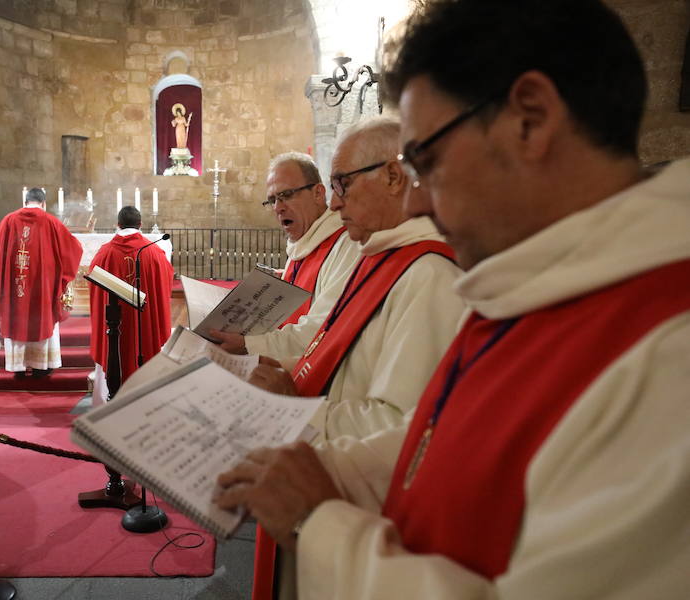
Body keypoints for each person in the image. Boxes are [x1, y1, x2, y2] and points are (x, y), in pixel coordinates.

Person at [216, 1, 690, 598]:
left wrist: (318, 522)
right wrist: (328, 468)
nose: (416, 203)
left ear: (531, 120)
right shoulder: (543, 285)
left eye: (427, 161)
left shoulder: (671, 353)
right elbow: (441, 441)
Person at [247, 118, 465, 444]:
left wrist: (292, 404)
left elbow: (398, 428)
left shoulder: (429, 276)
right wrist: (268, 363)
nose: (334, 204)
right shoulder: (380, 259)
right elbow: (343, 364)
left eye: (343, 184)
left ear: (393, 177)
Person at [209, 152, 359, 368]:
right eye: (272, 200)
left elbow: (319, 332)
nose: (278, 208)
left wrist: (248, 345)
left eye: (287, 195)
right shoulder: (303, 245)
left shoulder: (346, 245)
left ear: (318, 193)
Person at [0, 187, 82, 378]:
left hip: (17, 285)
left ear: (25, 202)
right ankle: (42, 366)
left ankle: (18, 366)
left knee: (17, 319)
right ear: (43, 203)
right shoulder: (51, 222)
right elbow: (72, 249)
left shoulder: (8, 220)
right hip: (43, 287)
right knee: (42, 317)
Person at [89, 206, 173, 389]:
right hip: (144, 321)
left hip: (114, 322)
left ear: (118, 225)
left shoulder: (105, 253)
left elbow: (93, 283)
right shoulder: (154, 253)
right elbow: (166, 282)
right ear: (140, 224)